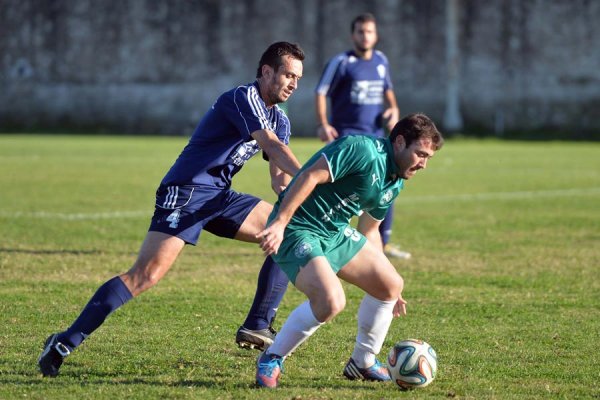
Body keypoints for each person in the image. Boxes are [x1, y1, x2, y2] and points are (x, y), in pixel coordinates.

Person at [37, 41, 306, 377]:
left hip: (219, 195)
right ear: (266, 71)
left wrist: (300, 197)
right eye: (288, 75)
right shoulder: (242, 97)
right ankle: (63, 342)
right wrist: (312, 175)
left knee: (291, 229)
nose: (294, 83)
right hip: (186, 191)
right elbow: (270, 145)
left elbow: (280, 181)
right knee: (146, 275)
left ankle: (257, 324)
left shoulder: (280, 119)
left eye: (298, 77)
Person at [253, 114, 444, 388]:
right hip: (298, 226)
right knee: (331, 301)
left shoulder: (395, 180)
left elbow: (369, 230)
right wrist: (280, 223)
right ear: (400, 141)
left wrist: (388, 278)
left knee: (390, 285)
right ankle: (272, 357)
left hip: (334, 232)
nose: (423, 164)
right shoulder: (361, 149)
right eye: (420, 154)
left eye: (428, 158)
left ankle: (363, 362)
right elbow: (308, 175)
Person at [315, 12, 410, 260]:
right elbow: (321, 92)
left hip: (377, 138)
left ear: (375, 35)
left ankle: (383, 244)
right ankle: (322, 238)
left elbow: (388, 93)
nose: (365, 36)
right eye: (360, 31)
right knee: (338, 190)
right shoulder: (341, 62)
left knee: (387, 187)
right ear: (352, 35)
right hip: (348, 137)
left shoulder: (381, 61)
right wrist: (324, 123)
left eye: (369, 31)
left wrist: (394, 111)